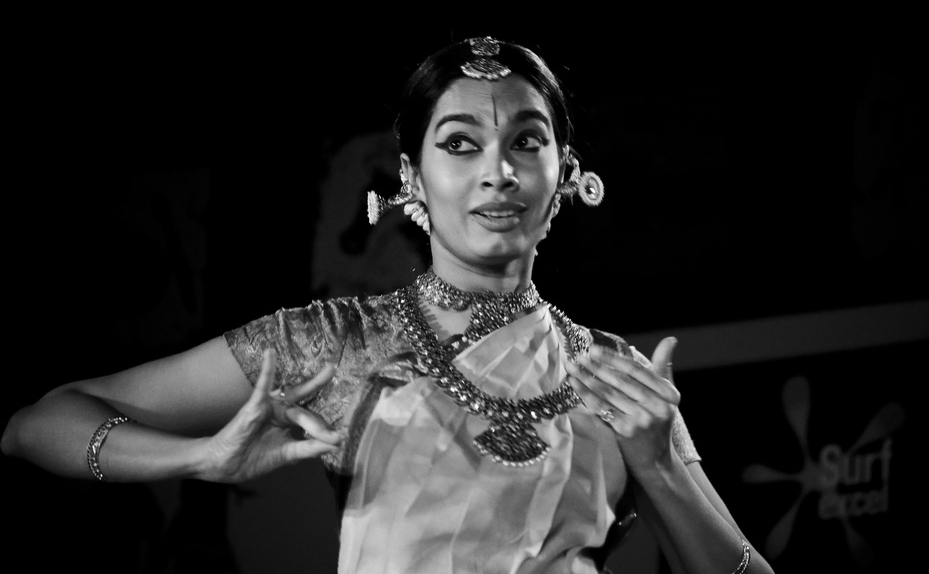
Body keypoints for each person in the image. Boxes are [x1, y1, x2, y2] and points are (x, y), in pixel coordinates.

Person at [2, 36, 774, 574]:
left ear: (566, 174)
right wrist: (195, 458)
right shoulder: (337, 343)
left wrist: (661, 466)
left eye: (526, 141)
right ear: (411, 179)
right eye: (461, 143)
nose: (499, 171)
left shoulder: (615, 374)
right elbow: (36, 424)